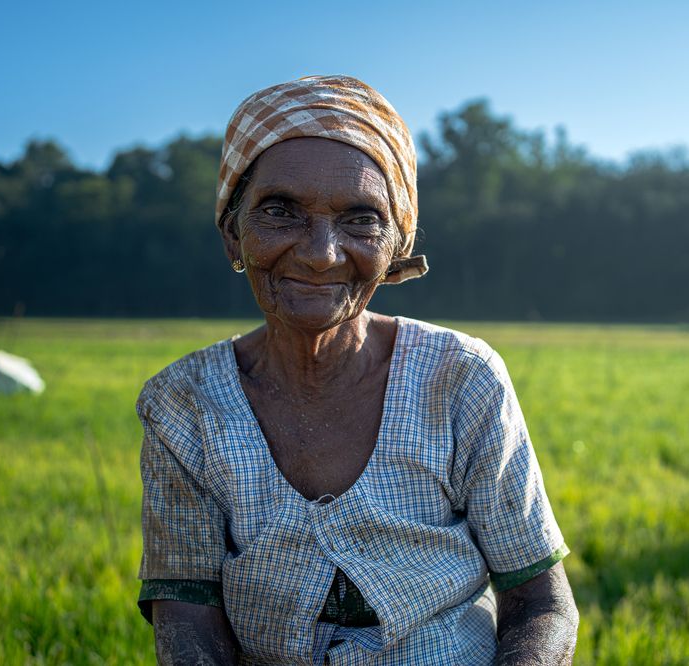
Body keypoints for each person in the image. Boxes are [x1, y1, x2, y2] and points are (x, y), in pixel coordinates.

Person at [136, 75, 578, 665]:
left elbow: (542, 605)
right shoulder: (183, 405)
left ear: (396, 245)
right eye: (279, 212)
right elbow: (188, 623)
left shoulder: (461, 379)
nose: (321, 253)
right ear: (232, 236)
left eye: (360, 219)